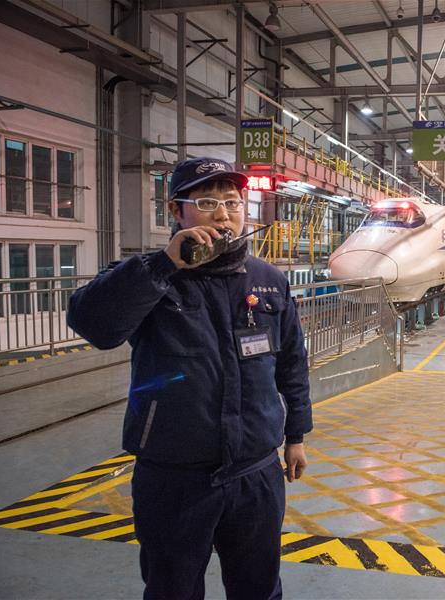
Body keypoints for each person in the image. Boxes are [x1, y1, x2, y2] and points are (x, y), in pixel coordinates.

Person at [67, 157, 312, 600]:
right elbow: (95, 326)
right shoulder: (149, 276)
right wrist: (165, 265)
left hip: (255, 471)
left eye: (233, 203)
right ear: (175, 211)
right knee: (172, 590)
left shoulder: (268, 281)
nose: (223, 214)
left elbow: (292, 362)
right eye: (207, 202)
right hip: (173, 476)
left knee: (258, 588)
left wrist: (296, 435)